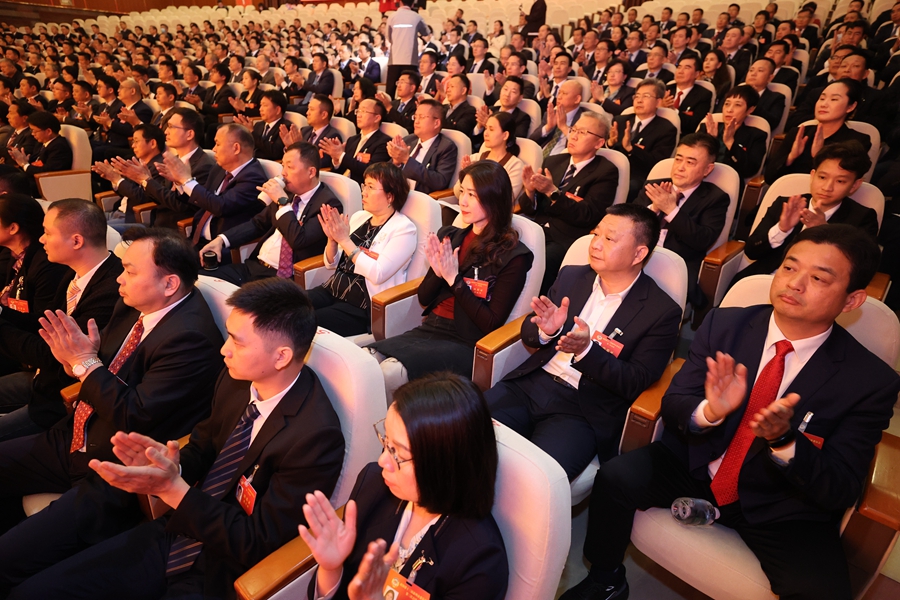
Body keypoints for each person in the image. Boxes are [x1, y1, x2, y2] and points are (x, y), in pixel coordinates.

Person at [562, 224, 900, 600]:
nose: (795, 283)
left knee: (821, 591)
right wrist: (710, 411)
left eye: (819, 278)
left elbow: (843, 485)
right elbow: (675, 402)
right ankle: (606, 578)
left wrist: (785, 441)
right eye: (789, 267)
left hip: (785, 501)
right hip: (697, 464)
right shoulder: (726, 324)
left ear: (852, 300)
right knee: (615, 478)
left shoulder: (870, 381)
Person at [6, 278, 345, 599]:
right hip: (179, 529)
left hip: (223, 569)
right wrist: (170, 465)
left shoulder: (315, 437)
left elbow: (258, 540)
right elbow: (204, 445)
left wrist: (174, 490)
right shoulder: (237, 381)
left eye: (238, 342)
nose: (224, 350)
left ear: (281, 356)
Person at [0, 228, 225, 589]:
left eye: (130, 271)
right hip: (77, 435)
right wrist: (82, 358)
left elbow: (134, 412)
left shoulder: (191, 338)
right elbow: (100, 367)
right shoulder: (133, 304)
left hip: (114, 468)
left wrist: (85, 364)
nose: (119, 278)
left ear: (169, 284)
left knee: (13, 560)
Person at [487, 204, 682, 479]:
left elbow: (636, 380)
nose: (596, 245)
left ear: (639, 254)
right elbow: (531, 330)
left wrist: (587, 351)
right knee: (462, 437)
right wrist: (547, 332)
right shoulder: (572, 276)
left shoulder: (661, 311)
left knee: (534, 480)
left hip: (583, 411)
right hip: (530, 385)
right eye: (596, 234)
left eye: (609, 238)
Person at [301, 373, 508, 600]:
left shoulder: (479, 562)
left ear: (445, 465)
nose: (382, 461)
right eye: (386, 442)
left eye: (398, 453)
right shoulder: (373, 485)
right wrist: (331, 569)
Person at [368, 161, 533, 397]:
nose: (462, 201)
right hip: (430, 328)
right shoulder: (451, 237)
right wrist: (437, 272)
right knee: (367, 362)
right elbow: (425, 297)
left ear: (493, 198)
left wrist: (454, 280)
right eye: (462, 191)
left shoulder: (513, 256)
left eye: (472, 195)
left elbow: (491, 323)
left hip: (465, 342)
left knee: (390, 373)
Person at [0, 199, 122, 441]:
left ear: (76, 241)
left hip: (60, 400)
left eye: (47, 233)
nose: (41, 239)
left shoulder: (110, 290)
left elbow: (53, 355)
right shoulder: (75, 272)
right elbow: (46, 322)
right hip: (42, 382)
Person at [735, 141, 877, 285]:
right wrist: (781, 229)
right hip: (765, 280)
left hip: (816, 289)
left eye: (840, 181)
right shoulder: (786, 204)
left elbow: (861, 268)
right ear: (813, 175)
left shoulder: (863, 218)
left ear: (854, 185)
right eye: (822, 177)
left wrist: (826, 232)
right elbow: (751, 251)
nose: (827, 187)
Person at [200, 141, 342, 284]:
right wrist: (221, 240)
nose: (283, 173)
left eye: (290, 167)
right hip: (255, 267)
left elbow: (299, 240)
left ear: (311, 172)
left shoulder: (328, 204)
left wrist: (283, 203)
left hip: (282, 278)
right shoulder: (288, 193)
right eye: (283, 166)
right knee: (202, 280)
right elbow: (257, 224)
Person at [310, 162, 417, 336]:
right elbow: (332, 263)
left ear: (390, 196)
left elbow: (378, 273)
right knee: (288, 303)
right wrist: (332, 240)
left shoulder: (404, 229)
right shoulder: (360, 217)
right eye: (364, 185)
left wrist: (344, 240)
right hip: (332, 289)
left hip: (360, 304)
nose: (364, 192)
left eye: (370, 187)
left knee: (305, 321)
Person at [519, 112, 620, 293]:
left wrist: (552, 192)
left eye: (583, 132)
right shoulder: (553, 161)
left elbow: (588, 215)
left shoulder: (605, 171)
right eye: (573, 129)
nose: (573, 136)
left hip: (564, 239)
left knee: (538, 260)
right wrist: (530, 191)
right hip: (536, 229)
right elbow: (530, 210)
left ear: (599, 143)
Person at [634, 132, 731, 309]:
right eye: (678, 159)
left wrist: (671, 210)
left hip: (676, 265)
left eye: (690, 163)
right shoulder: (653, 186)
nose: (680, 167)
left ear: (707, 169)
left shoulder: (715, 198)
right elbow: (628, 223)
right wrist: (655, 208)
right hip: (637, 255)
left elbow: (703, 239)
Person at [157, 123, 268, 251]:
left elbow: (221, 206)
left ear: (236, 148)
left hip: (221, 248)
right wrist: (180, 182)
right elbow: (202, 201)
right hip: (195, 240)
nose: (214, 149)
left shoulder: (253, 177)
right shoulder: (219, 169)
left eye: (218, 144)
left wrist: (186, 181)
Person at [113, 108, 216, 230]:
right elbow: (160, 197)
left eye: (171, 127)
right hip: (157, 224)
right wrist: (145, 181)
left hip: (176, 230)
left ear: (189, 134)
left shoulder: (203, 165)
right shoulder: (172, 160)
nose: (166, 131)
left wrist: (146, 180)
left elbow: (180, 206)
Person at [764, 79, 871, 184]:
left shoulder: (858, 141)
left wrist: (819, 157)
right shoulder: (798, 133)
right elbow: (769, 178)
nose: (824, 104)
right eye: (822, 98)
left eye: (834, 99)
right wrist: (790, 157)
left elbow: (843, 183)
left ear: (851, 106)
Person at [609, 79, 678, 201]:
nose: (639, 100)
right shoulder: (619, 121)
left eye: (646, 96)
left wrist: (631, 149)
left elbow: (656, 163)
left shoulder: (666, 129)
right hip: (612, 171)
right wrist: (610, 144)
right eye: (637, 96)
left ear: (658, 102)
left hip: (638, 176)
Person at [92, 123, 167, 232]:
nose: (133, 146)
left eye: (136, 141)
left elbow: (144, 198)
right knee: (82, 219)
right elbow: (126, 192)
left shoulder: (159, 167)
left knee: (92, 231)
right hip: (118, 212)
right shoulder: (136, 163)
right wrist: (114, 179)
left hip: (132, 218)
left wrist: (118, 179)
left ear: (152, 143)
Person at [387, 99, 458, 195]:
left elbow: (440, 181)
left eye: (421, 117)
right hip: (395, 193)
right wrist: (396, 162)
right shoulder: (408, 140)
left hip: (419, 198)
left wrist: (407, 160)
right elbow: (386, 174)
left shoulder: (446, 147)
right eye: (415, 117)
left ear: (436, 123)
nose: (416, 121)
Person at [321, 98, 391, 185]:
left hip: (360, 187)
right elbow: (340, 171)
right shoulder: (352, 140)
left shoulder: (384, 142)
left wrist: (341, 155)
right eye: (358, 111)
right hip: (342, 184)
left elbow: (371, 171)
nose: (358, 115)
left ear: (377, 118)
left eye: (363, 111)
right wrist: (336, 159)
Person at [456, 112, 526, 199]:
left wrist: (474, 179)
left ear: (505, 135)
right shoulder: (474, 158)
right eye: (486, 128)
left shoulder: (515, 165)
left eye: (491, 129)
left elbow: (505, 200)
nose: (486, 133)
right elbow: (457, 193)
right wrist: (465, 175)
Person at [662, 54, 713, 135]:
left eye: (687, 68)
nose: (680, 71)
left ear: (697, 74)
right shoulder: (665, 90)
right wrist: (661, 107)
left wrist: (673, 110)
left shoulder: (703, 95)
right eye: (679, 67)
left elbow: (694, 125)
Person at [236, 89, 291, 162]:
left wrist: (252, 132)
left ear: (277, 110)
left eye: (265, 105)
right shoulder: (259, 125)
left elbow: (275, 152)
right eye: (260, 105)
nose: (260, 109)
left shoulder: (285, 127)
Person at [386, 0, 429, 91]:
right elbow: (426, 32)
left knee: (391, 90)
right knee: (410, 89)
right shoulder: (417, 17)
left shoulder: (392, 17)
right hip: (410, 60)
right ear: (413, 4)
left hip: (395, 59)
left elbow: (389, 37)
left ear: (400, 2)